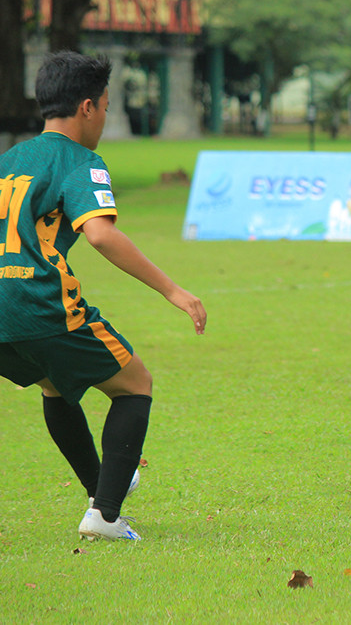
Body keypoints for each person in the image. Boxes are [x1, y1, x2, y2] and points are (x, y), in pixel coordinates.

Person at [0, 51, 206, 541]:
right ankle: (105, 516)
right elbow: (100, 234)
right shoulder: (80, 161)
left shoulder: (9, 161)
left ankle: (103, 490)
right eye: (107, 108)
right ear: (87, 107)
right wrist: (173, 290)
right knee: (135, 383)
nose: (105, 118)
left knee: (54, 384)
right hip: (39, 300)